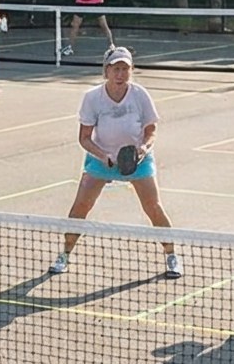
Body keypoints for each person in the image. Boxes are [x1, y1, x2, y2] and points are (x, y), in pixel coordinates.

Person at [51, 47, 178, 279]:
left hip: (137, 160)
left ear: (131, 71)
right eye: (116, 69)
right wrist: (103, 156)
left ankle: (172, 256)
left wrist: (144, 148)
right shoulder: (92, 98)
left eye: (125, 69)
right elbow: (84, 138)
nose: (121, 74)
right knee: (81, 206)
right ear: (106, 71)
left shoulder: (140, 95)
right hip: (102, 158)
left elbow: (151, 130)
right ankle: (64, 255)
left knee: (153, 207)